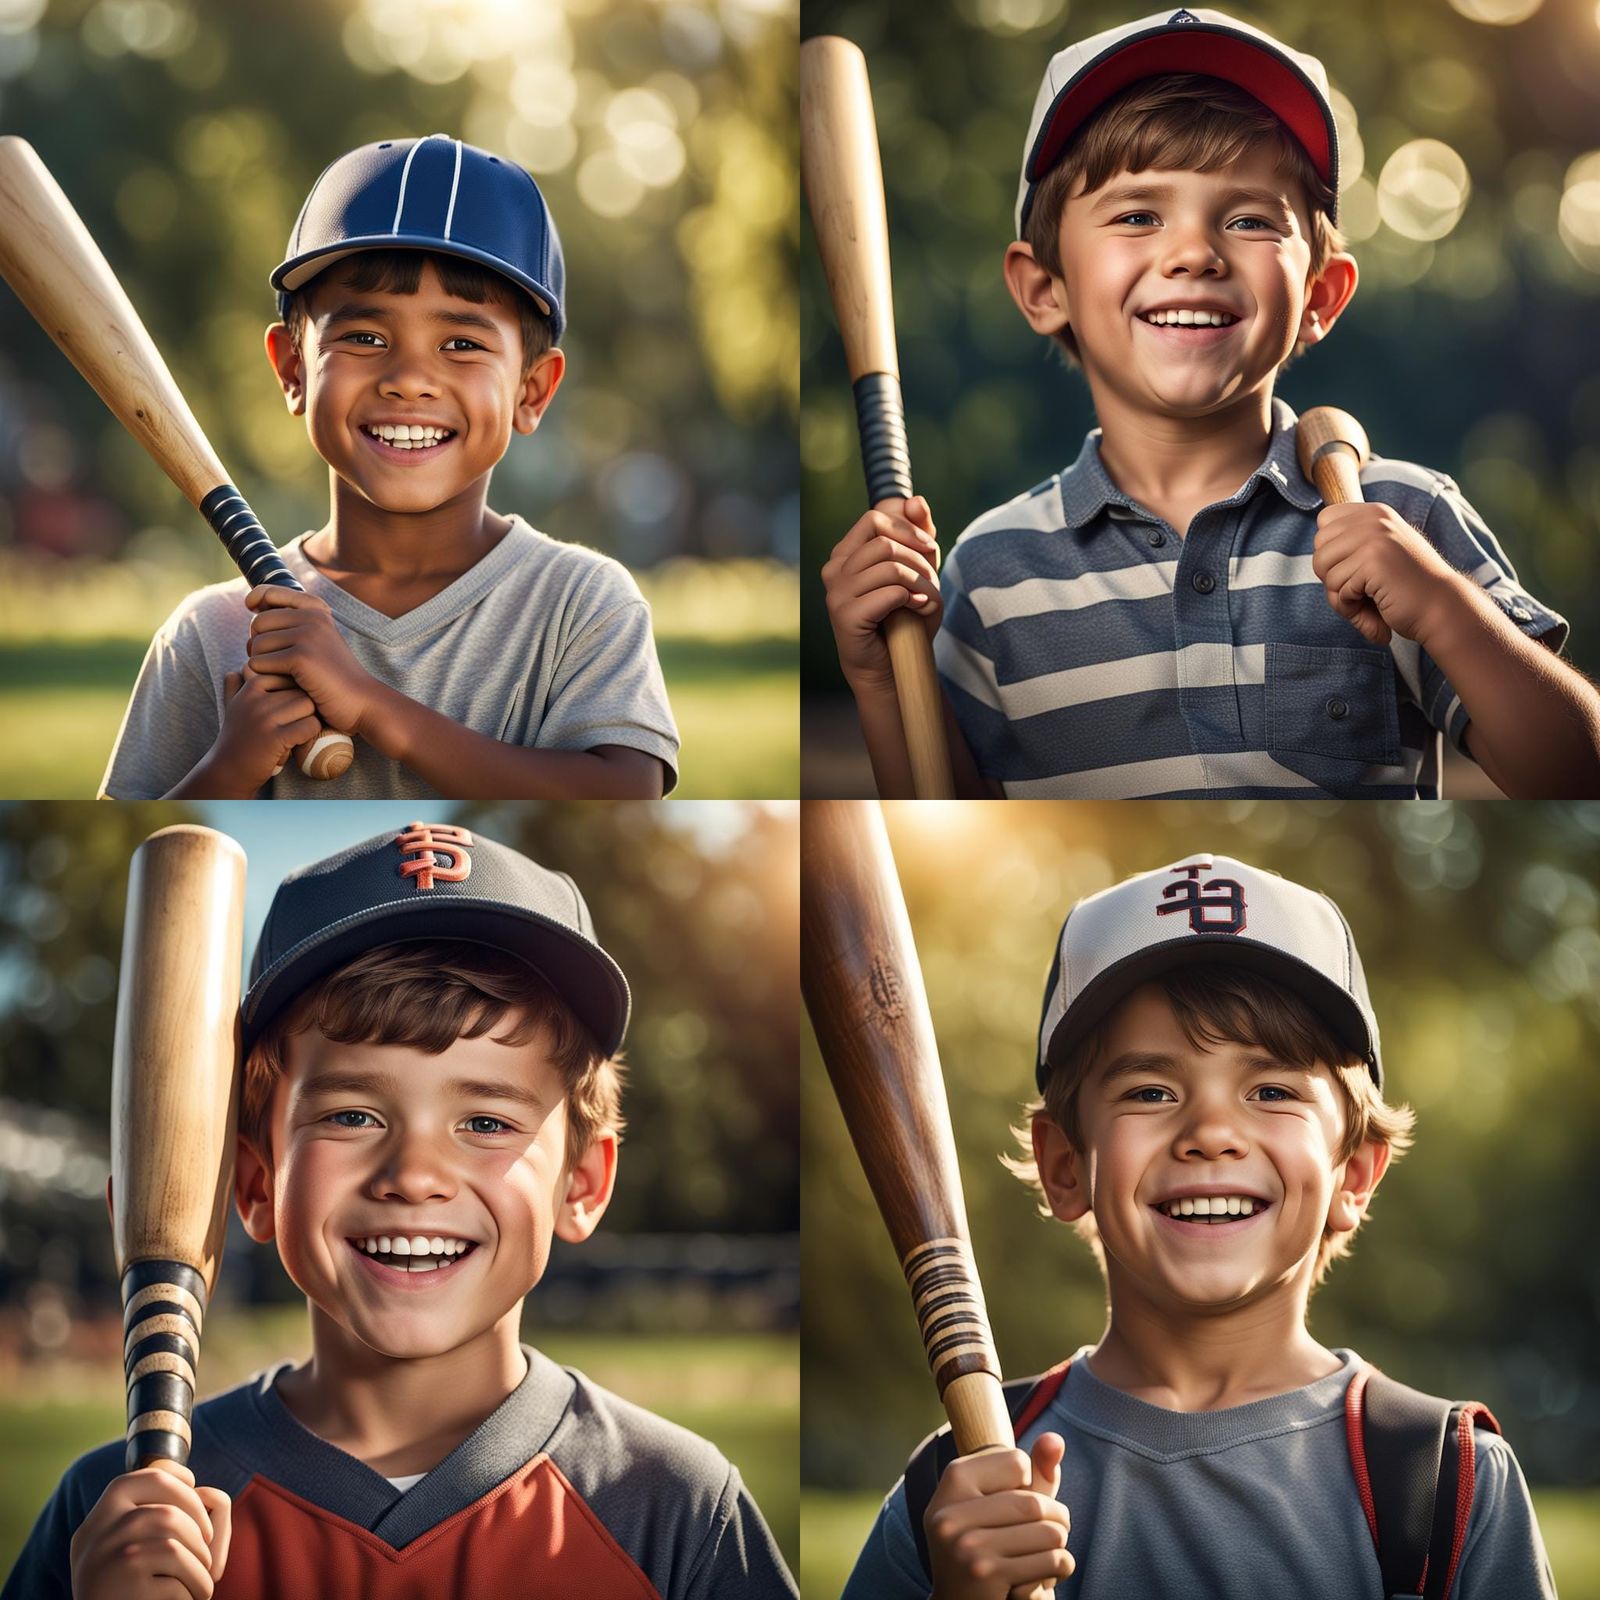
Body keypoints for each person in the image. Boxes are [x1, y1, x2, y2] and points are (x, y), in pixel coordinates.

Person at [822, 9, 1600, 799]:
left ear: (1320, 297)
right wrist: (887, 686)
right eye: (1136, 215)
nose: (1194, 252)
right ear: (1044, 288)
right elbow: (953, 810)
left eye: (1250, 219)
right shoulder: (992, 572)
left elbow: (1579, 778)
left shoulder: (1402, 518)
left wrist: (1443, 608)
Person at [4, 823, 795, 1599]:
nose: (414, 1176)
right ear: (251, 1185)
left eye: (486, 1122)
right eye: (352, 1115)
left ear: (581, 1184)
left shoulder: (674, 1508)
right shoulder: (115, 1509)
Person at [841, 851, 1555, 1599]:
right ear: (1063, 1165)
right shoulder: (960, 1487)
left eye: (1272, 1088)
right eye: (1150, 1091)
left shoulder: (1441, 1483)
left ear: (1354, 1174)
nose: (1211, 1130)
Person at [100, 135, 679, 800]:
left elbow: (627, 795)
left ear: (532, 391)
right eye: (364, 337)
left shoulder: (579, 603)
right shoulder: (214, 633)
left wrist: (370, 705)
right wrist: (232, 764)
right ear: (293, 369)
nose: (409, 380)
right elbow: (150, 845)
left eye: (462, 343)